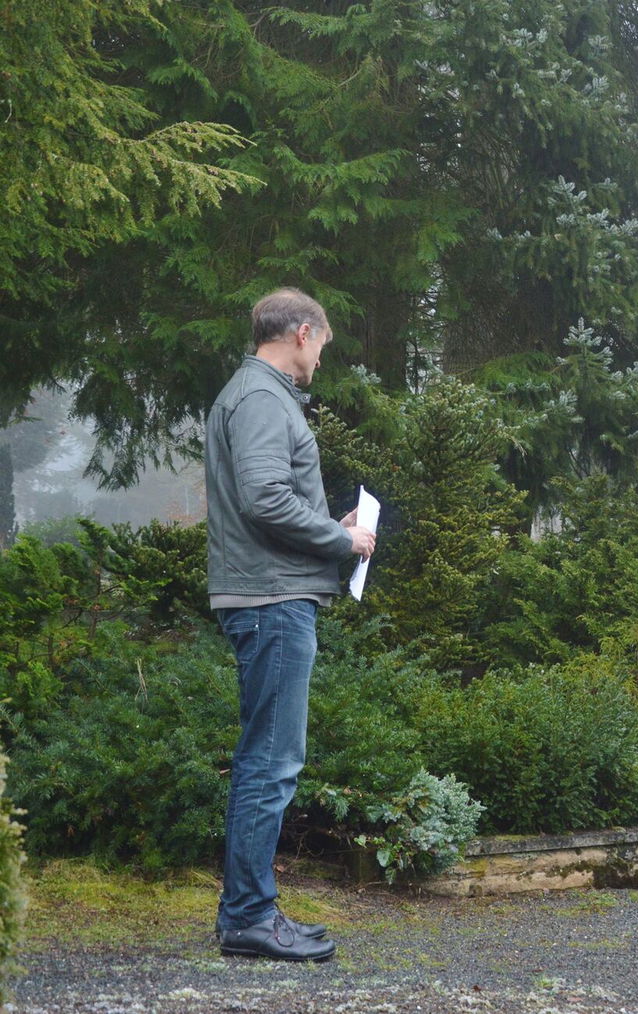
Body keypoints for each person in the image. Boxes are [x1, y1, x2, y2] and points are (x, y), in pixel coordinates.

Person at [206, 288, 376, 962]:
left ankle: (247, 914)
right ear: (303, 334)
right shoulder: (261, 398)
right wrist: (343, 543)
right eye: (323, 348)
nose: (320, 363)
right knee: (271, 763)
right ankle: (249, 918)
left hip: (272, 594)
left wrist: (326, 529)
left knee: (267, 759)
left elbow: (268, 500)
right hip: (273, 602)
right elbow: (266, 498)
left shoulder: (256, 398)